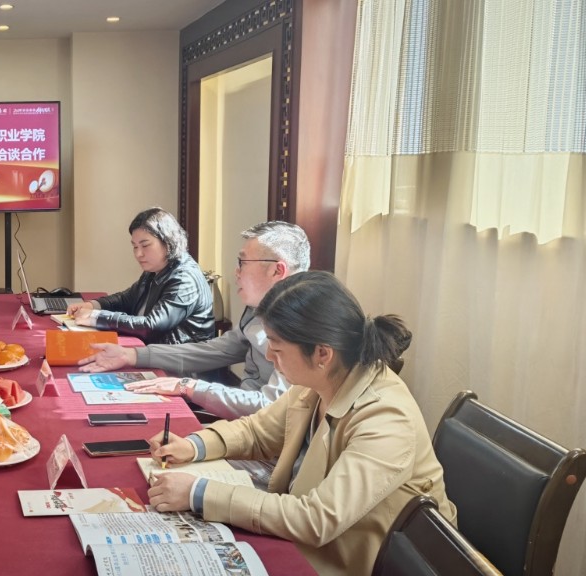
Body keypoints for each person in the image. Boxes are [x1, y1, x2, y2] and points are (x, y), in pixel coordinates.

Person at [145, 271, 453, 575]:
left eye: (277, 347)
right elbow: (257, 432)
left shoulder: (386, 418)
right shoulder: (323, 379)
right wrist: (194, 445)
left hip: (356, 560)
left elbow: (317, 519)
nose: (269, 355)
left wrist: (198, 493)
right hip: (314, 540)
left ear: (322, 353)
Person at [78, 221, 310, 424]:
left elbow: (270, 408)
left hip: (263, 440)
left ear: (277, 271)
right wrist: (134, 355)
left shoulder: (301, 325)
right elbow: (216, 350)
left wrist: (189, 386)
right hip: (241, 425)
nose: (236, 272)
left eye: (242, 262)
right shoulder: (259, 310)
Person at [65, 207, 215, 345]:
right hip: (154, 350)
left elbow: (152, 325)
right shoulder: (156, 268)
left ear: (168, 241)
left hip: (179, 361)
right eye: (135, 246)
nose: (138, 254)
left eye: (145, 245)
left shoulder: (184, 279)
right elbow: (127, 299)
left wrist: (96, 317)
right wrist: (92, 305)